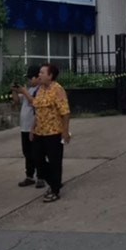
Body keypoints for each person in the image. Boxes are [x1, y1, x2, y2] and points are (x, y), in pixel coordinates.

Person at [30, 62, 71, 202]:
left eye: (42, 73)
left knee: (55, 162)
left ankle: (55, 190)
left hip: (53, 132)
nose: (39, 75)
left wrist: (65, 131)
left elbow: (65, 112)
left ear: (50, 75)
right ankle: (54, 182)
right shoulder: (40, 89)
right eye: (39, 73)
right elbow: (37, 109)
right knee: (38, 160)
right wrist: (32, 129)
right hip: (39, 132)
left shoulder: (57, 89)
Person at [13, 67, 44, 189]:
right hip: (24, 128)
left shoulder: (40, 90)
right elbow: (16, 101)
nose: (29, 80)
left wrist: (24, 92)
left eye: (31, 78)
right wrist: (15, 91)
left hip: (34, 127)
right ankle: (30, 176)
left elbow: (35, 103)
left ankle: (41, 176)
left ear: (37, 78)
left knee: (37, 153)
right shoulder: (29, 89)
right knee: (27, 153)